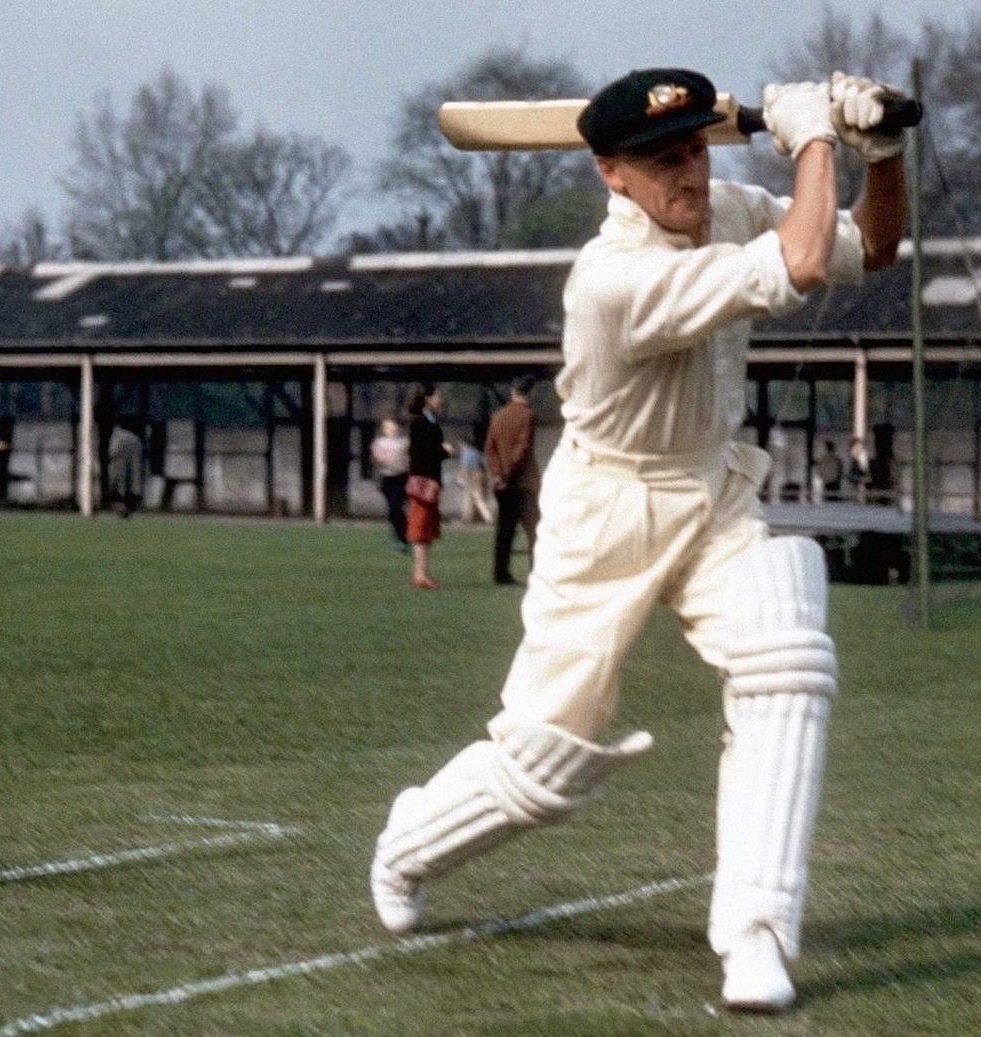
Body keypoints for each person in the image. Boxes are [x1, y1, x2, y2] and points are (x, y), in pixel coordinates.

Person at [369, 68, 908, 1012]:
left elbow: (876, 243)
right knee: (549, 758)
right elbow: (807, 261)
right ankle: (410, 841)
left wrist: (888, 149)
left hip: (711, 491)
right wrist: (815, 136)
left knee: (787, 651)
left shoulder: (734, 206)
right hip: (605, 511)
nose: (689, 173)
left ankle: (756, 932)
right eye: (663, 160)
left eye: (696, 147)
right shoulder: (613, 281)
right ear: (612, 175)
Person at [484, 374, 542, 585]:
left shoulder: (498, 415)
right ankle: (538, 572)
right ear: (531, 392)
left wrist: (497, 474)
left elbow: (489, 449)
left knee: (504, 530)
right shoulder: (528, 415)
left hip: (502, 484)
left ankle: (501, 573)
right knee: (534, 530)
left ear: (512, 391)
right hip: (524, 482)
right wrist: (508, 473)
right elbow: (523, 448)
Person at [405, 383, 454, 589]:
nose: (440, 400)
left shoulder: (432, 422)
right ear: (428, 399)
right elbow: (422, 453)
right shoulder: (419, 423)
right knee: (420, 528)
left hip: (431, 481)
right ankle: (419, 574)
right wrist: (445, 451)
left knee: (427, 530)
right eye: (437, 397)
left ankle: (423, 573)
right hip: (423, 482)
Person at [370, 417, 411, 550]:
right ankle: (402, 537)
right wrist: (377, 459)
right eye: (388, 427)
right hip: (387, 478)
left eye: (393, 426)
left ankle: (405, 537)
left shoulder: (404, 442)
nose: (391, 429)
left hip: (401, 477)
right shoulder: (379, 443)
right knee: (393, 511)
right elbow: (374, 459)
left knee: (396, 506)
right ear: (384, 430)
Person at [454, 436, 495, 525]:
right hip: (481, 476)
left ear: (465, 444)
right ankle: (467, 518)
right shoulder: (477, 453)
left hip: (472, 477)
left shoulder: (466, 454)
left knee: (476, 498)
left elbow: (464, 468)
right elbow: (485, 465)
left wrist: (459, 478)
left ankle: (488, 518)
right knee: (473, 498)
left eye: (460, 444)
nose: (460, 446)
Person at [106, 422, 144, 518]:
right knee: (130, 487)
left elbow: (113, 451)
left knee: (118, 487)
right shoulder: (135, 438)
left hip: (119, 467)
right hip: (133, 469)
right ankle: (128, 509)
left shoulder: (117, 436)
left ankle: (121, 509)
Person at [846, 435, 870, 500]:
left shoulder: (858, 461)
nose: (859, 450)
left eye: (861, 448)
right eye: (857, 448)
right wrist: (861, 479)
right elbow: (848, 476)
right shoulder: (850, 461)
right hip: (849, 491)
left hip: (856, 490)